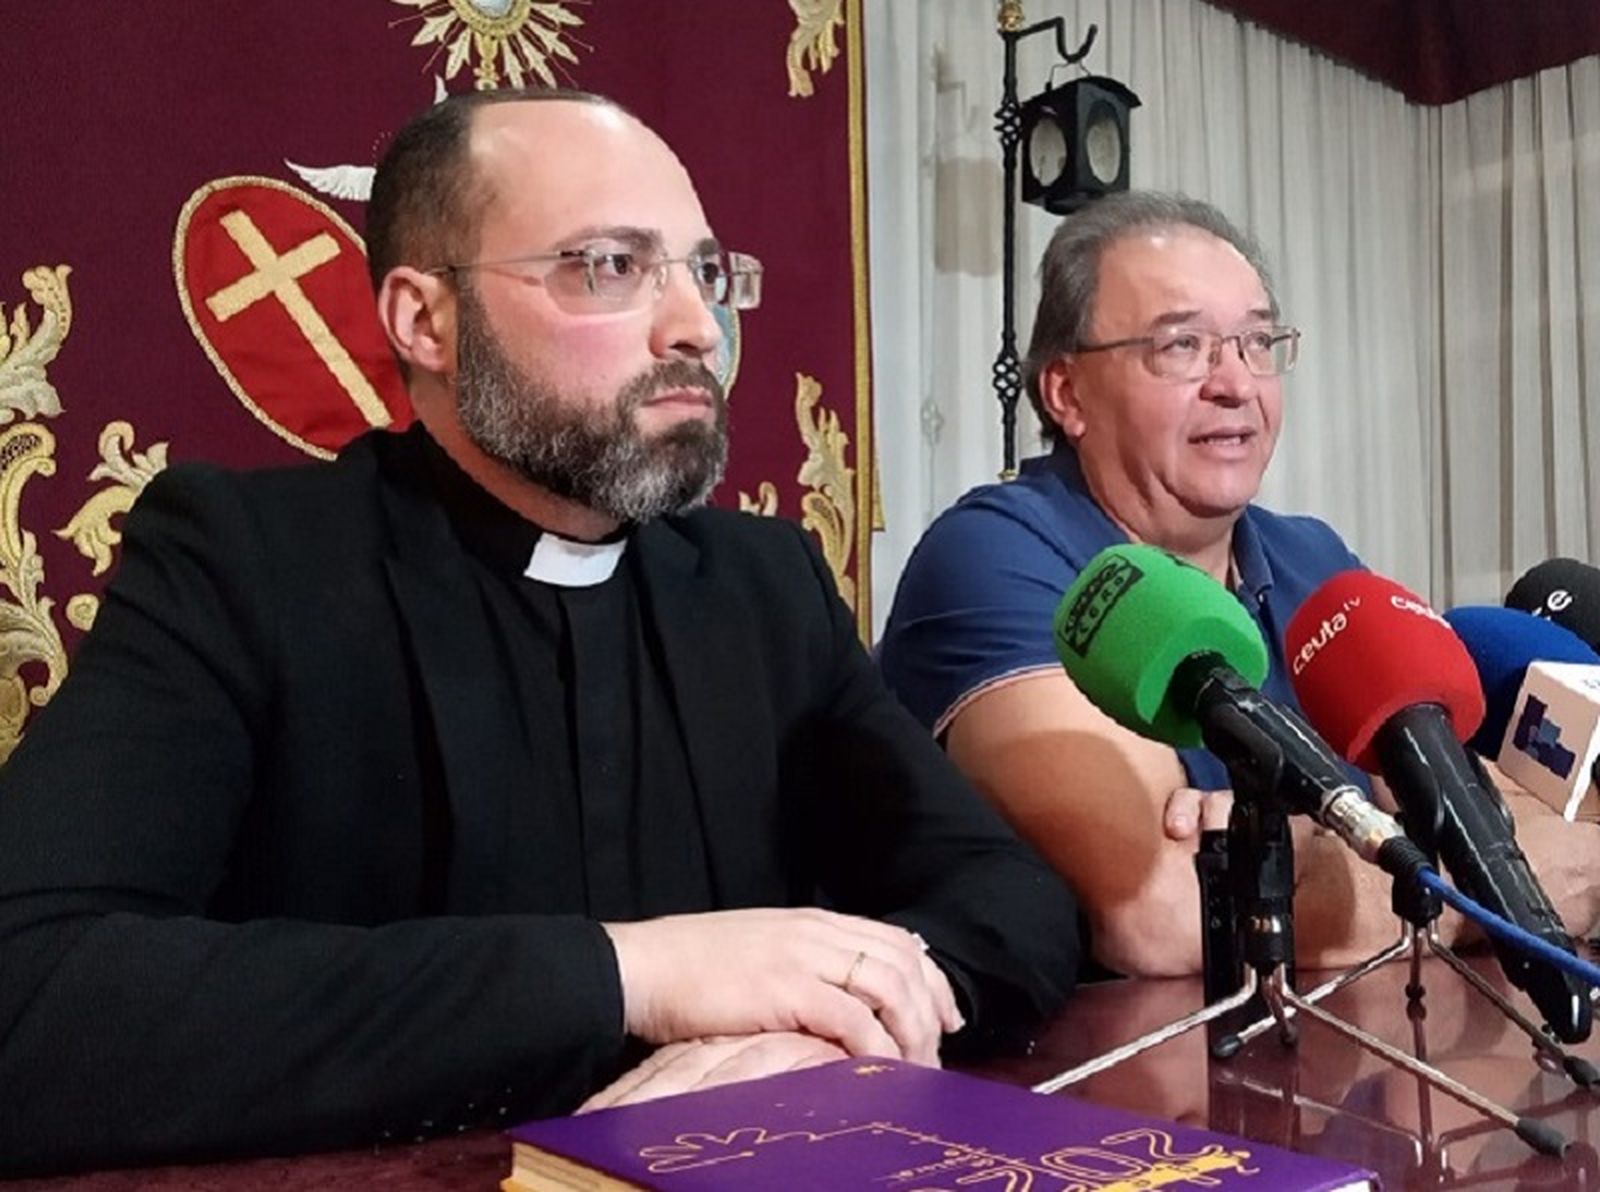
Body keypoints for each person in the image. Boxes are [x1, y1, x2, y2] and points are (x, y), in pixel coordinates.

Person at [0, 88, 1078, 1175]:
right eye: (608, 265)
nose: (697, 327)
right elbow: (31, 995)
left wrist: (814, 1014)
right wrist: (631, 975)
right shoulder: (245, 564)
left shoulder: (762, 584)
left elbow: (1011, 900)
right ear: (424, 319)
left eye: (704, 272)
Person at [878, 191, 1600, 980]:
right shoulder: (994, 554)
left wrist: (1275, 853)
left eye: (1257, 342)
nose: (1236, 383)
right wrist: (1506, 892)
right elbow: (1164, 912)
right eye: (1182, 345)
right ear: (1066, 393)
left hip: (1340, 1050)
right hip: (1092, 1083)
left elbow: (1474, 807)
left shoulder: (1314, 560)